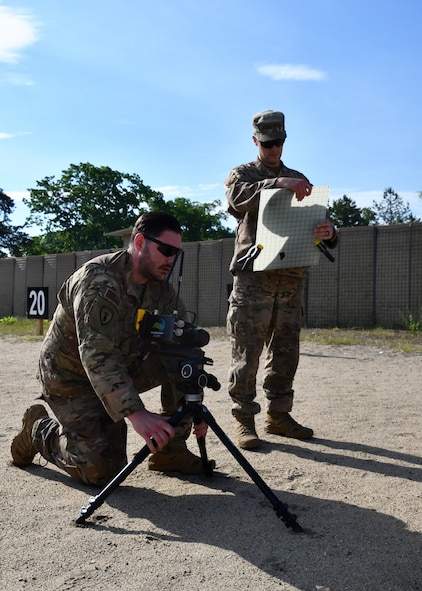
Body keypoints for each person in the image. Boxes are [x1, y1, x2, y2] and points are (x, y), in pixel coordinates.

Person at [11, 211, 211, 486]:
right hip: (72, 378)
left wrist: (194, 405)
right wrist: (136, 413)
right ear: (139, 242)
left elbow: (183, 344)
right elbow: (96, 353)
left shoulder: (160, 290)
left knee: (180, 355)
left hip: (119, 368)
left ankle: (170, 449)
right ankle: (38, 429)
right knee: (101, 471)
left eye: (176, 252)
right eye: (165, 250)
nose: (171, 258)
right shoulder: (99, 281)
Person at [225, 110, 337, 450]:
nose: (275, 149)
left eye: (280, 142)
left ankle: (279, 416)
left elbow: (319, 221)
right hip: (254, 277)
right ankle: (245, 421)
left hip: (290, 278)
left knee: (286, 351)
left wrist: (329, 233)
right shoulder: (243, 174)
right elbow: (236, 200)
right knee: (247, 352)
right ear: (255, 140)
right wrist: (276, 183)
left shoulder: (299, 178)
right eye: (269, 143)